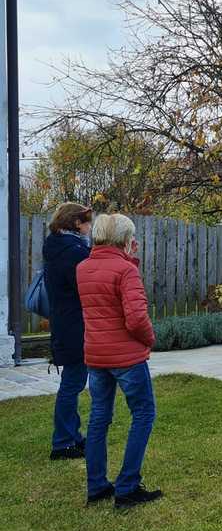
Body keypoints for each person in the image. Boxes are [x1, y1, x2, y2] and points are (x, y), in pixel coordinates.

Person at [77, 214, 161, 509]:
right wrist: (150, 339)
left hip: (96, 354)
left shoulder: (83, 268)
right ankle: (127, 487)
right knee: (144, 413)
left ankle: (97, 485)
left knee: (99, 417)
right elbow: (136, 318)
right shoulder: (126, 270)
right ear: (124, 239)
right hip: (126, 357)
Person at [42, 202, 93, 460]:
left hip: (64, 322)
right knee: (73, 383)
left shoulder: (56, 245)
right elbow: (85, 285)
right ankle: (62, 443)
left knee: (72, 381)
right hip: (75, 324)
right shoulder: (73, 251)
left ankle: (72, 436)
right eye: (87, 221)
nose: (90, 226)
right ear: (76, 223)